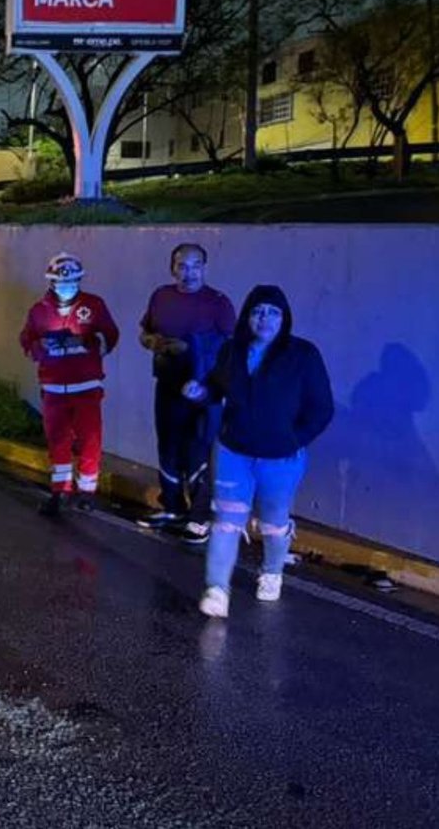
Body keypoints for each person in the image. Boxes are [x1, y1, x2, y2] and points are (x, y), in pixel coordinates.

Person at [184, 285, 333, 619]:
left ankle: (271, 572)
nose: (264, 318)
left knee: (273, 522)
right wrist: (200, 391)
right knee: (226, 520)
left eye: (273, 312)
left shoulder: (303, 355)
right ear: (247, 317)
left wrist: (294, 439)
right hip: (234, 451)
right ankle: (217, 588)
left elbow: (322, 408)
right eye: (257, 311)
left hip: (281, 458)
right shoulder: (232, 351)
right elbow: (216, 386)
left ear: (284, 318)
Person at [138, 244, 235, 543]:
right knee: (168, 446)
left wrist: (205, 380)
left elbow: (231, 350)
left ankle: (200, 517)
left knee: (198, 450)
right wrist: (153, 342)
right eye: (181, 265)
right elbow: (144, 332)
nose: (188, 272)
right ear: (172, 268)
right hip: (167, 384)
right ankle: (172, 507)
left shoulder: (218, 303)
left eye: (195, 265)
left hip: (203, 392)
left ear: (205, 268)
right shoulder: (161, 296)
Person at [20, 253, 120, 516]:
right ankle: (60, 490)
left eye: (73, 280)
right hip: (53, 388)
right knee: (57, 440)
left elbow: (110, 335)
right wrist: (40, 346)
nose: (67, 285)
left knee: (90, 439)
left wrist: (87, 341)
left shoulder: (94, 305)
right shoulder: (39, 311)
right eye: (62, 281)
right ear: (51, 282)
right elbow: (26, 341)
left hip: (86, 386)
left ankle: (87, 491)